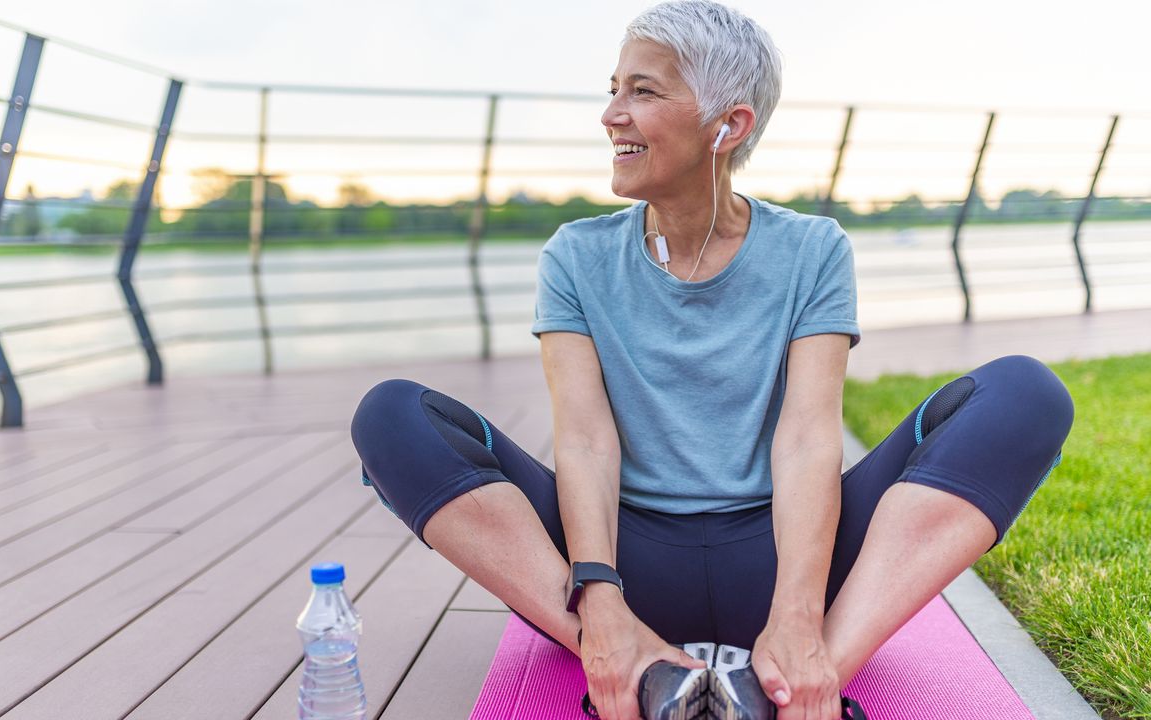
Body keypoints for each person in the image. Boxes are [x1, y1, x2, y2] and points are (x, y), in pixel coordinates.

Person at [350, 2, 1075, 718]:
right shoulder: (575, 256)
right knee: (391, 418)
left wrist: (796, 608)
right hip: (625, 564)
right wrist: (598, 596)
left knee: (1025, 395)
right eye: (613, 89)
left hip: (785, 555)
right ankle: (624, 653)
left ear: (727, 126)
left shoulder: (812, 250)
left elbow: (806, 440)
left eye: (642, 90)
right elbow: (584, 440)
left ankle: (802, 678)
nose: (611, 114)